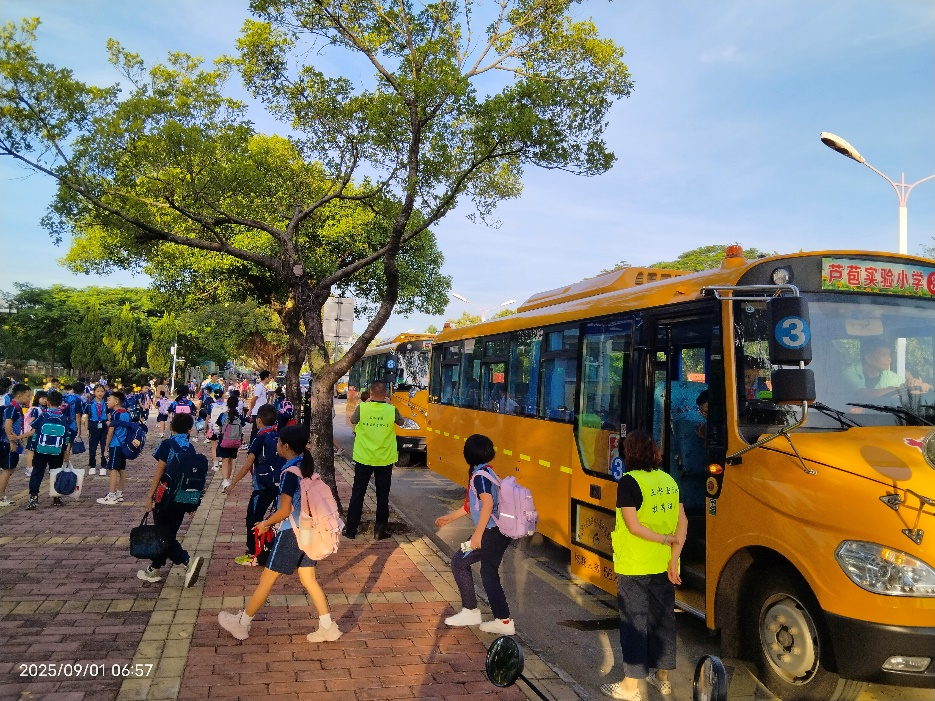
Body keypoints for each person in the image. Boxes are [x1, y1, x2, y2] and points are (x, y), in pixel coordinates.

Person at [218, 425, 342, 642]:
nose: (276, 444)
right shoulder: (306, 467)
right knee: (309, 580)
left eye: (278, 442)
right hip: (310, 532)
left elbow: (285, 510)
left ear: (285, 446)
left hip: (292, 533)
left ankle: (242, 624)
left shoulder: (289, 473)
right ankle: (327, 626)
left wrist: (265, 524)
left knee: (266, 580)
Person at [601, 430, 687, 701]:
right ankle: (662, 678)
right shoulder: (669, 481)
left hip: (635, 564)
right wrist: (673, 556)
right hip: (664, 565)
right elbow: (683, 522)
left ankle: (630, 686)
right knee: (662, 620)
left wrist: (664, 539)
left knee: (634, 622)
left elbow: (633, 526)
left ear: (631, 453)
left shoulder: (629, 482)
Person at [435, 433, 516, 635]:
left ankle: (499, 620)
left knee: (475, 569)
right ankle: (477, 612)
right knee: (463, 563)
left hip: (489, 534)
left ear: (468, 454)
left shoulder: (480, 477)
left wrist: (477, 536)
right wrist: (450, 518)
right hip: (494, 533)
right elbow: (473, 506)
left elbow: (487, 504)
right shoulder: (486, 472)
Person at [137, 413, 203, 587]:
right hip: (182, 498)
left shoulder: (167, 444)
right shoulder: (190, 447)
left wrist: (150, 495)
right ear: (190, 429)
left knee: (163, 534)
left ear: (171, 427)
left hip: (165, 497)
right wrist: (191, 501)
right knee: (169, 533)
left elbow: (160, 470)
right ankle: (154, 568)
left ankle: (188, 561)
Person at [343, 381, 405, 540]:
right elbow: (401, 422)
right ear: (385, 394)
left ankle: (350, 530)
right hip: (384, 459)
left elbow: (353, 421)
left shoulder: (362, 407)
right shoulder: (392, 410)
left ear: (370, 393)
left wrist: (367, 403)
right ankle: (379, 531)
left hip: (364, 457)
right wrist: (389, 404)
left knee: (358, 494)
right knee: (382, 496)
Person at [226, 404, 284, 565]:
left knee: (253, 519)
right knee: (278, 518)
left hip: (263, 486)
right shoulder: (279, 436)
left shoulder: (259, 438)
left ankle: (254, 554)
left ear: (258, 420)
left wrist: (232, 484)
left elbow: (247, 465)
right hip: (280, 485)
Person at [25, 390, 75, 510]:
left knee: (37, 472)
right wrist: (66, 452)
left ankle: (34, 497)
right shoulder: (64, 418)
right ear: (60, 403)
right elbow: (68, 436)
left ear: (47, 402)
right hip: (57, 451)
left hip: (41, 450)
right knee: (55, 472)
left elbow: (34, 428)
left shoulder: (43, 415)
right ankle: (56, 497)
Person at [843, 337, 931, 396]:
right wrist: (900, 389)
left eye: (889, 355)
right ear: (868, 357)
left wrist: (916, 384)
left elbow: (903, 385)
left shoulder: (888, 375)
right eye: (884, 355)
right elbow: (863, 395)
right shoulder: (849, 373)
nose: (889, 359)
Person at [0, 383, 33, 506]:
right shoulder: (13, 408)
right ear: (20, 395)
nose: (29, 398)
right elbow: (7, 425)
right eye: (28, 395)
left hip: (9, 442)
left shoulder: (15, 407)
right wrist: (12, 441)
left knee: (9, 469)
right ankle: (1, 497)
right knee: (7, 470)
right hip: (7, 443)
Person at [97, 390, 131, 505]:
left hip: (115, 444)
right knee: (122, 469)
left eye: (109, 399)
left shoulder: (116, 414)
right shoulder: (126, 413)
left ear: (116, 402)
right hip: (124, 445)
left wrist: (106, 447)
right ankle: (119, 493)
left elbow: (111, 432)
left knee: (112, 469)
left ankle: (111, 495)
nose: (107, 402)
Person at [214, 396, 243, 490]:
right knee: (230, 460)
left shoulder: (223, 415)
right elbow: (242, 426)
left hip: (224, 440)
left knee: (225, 460)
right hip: (235, 441)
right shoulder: (239, 416)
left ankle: (225, 480)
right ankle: (228, 479)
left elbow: (219, 426)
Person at [22, 390, 48, 479]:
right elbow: (31, 421)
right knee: (31, 450)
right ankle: (29, 468)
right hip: (34, 433)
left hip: (39, 433)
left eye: (46, 398)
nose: (45, 400)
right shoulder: (36, 409)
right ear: (38, 398)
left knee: (36, 450)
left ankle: (34, 467)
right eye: (43, 398)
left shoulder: (43, 409)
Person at [86, 384, 110, 476]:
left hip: (104, 424)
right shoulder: (90, 404)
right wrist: (87, 429)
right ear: (94, 392)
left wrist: (109, 422)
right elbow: (87, 417)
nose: (100, 393)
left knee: (104, 446)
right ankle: (92, 466)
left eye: (102, 391)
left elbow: (108, 415)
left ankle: (104, 466)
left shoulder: (106, 403)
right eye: (98, 391)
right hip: (93, 424)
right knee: (93, 447)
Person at [247, 370, 271, 445]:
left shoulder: (263, 387)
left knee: (260, 430)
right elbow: (253, 400)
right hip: (257, 412)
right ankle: (251, 446)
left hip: (261, 412)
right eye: (269, 377)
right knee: (255, 430)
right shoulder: (259, 387)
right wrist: (250, 410)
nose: (270, 379)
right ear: (266, 378)